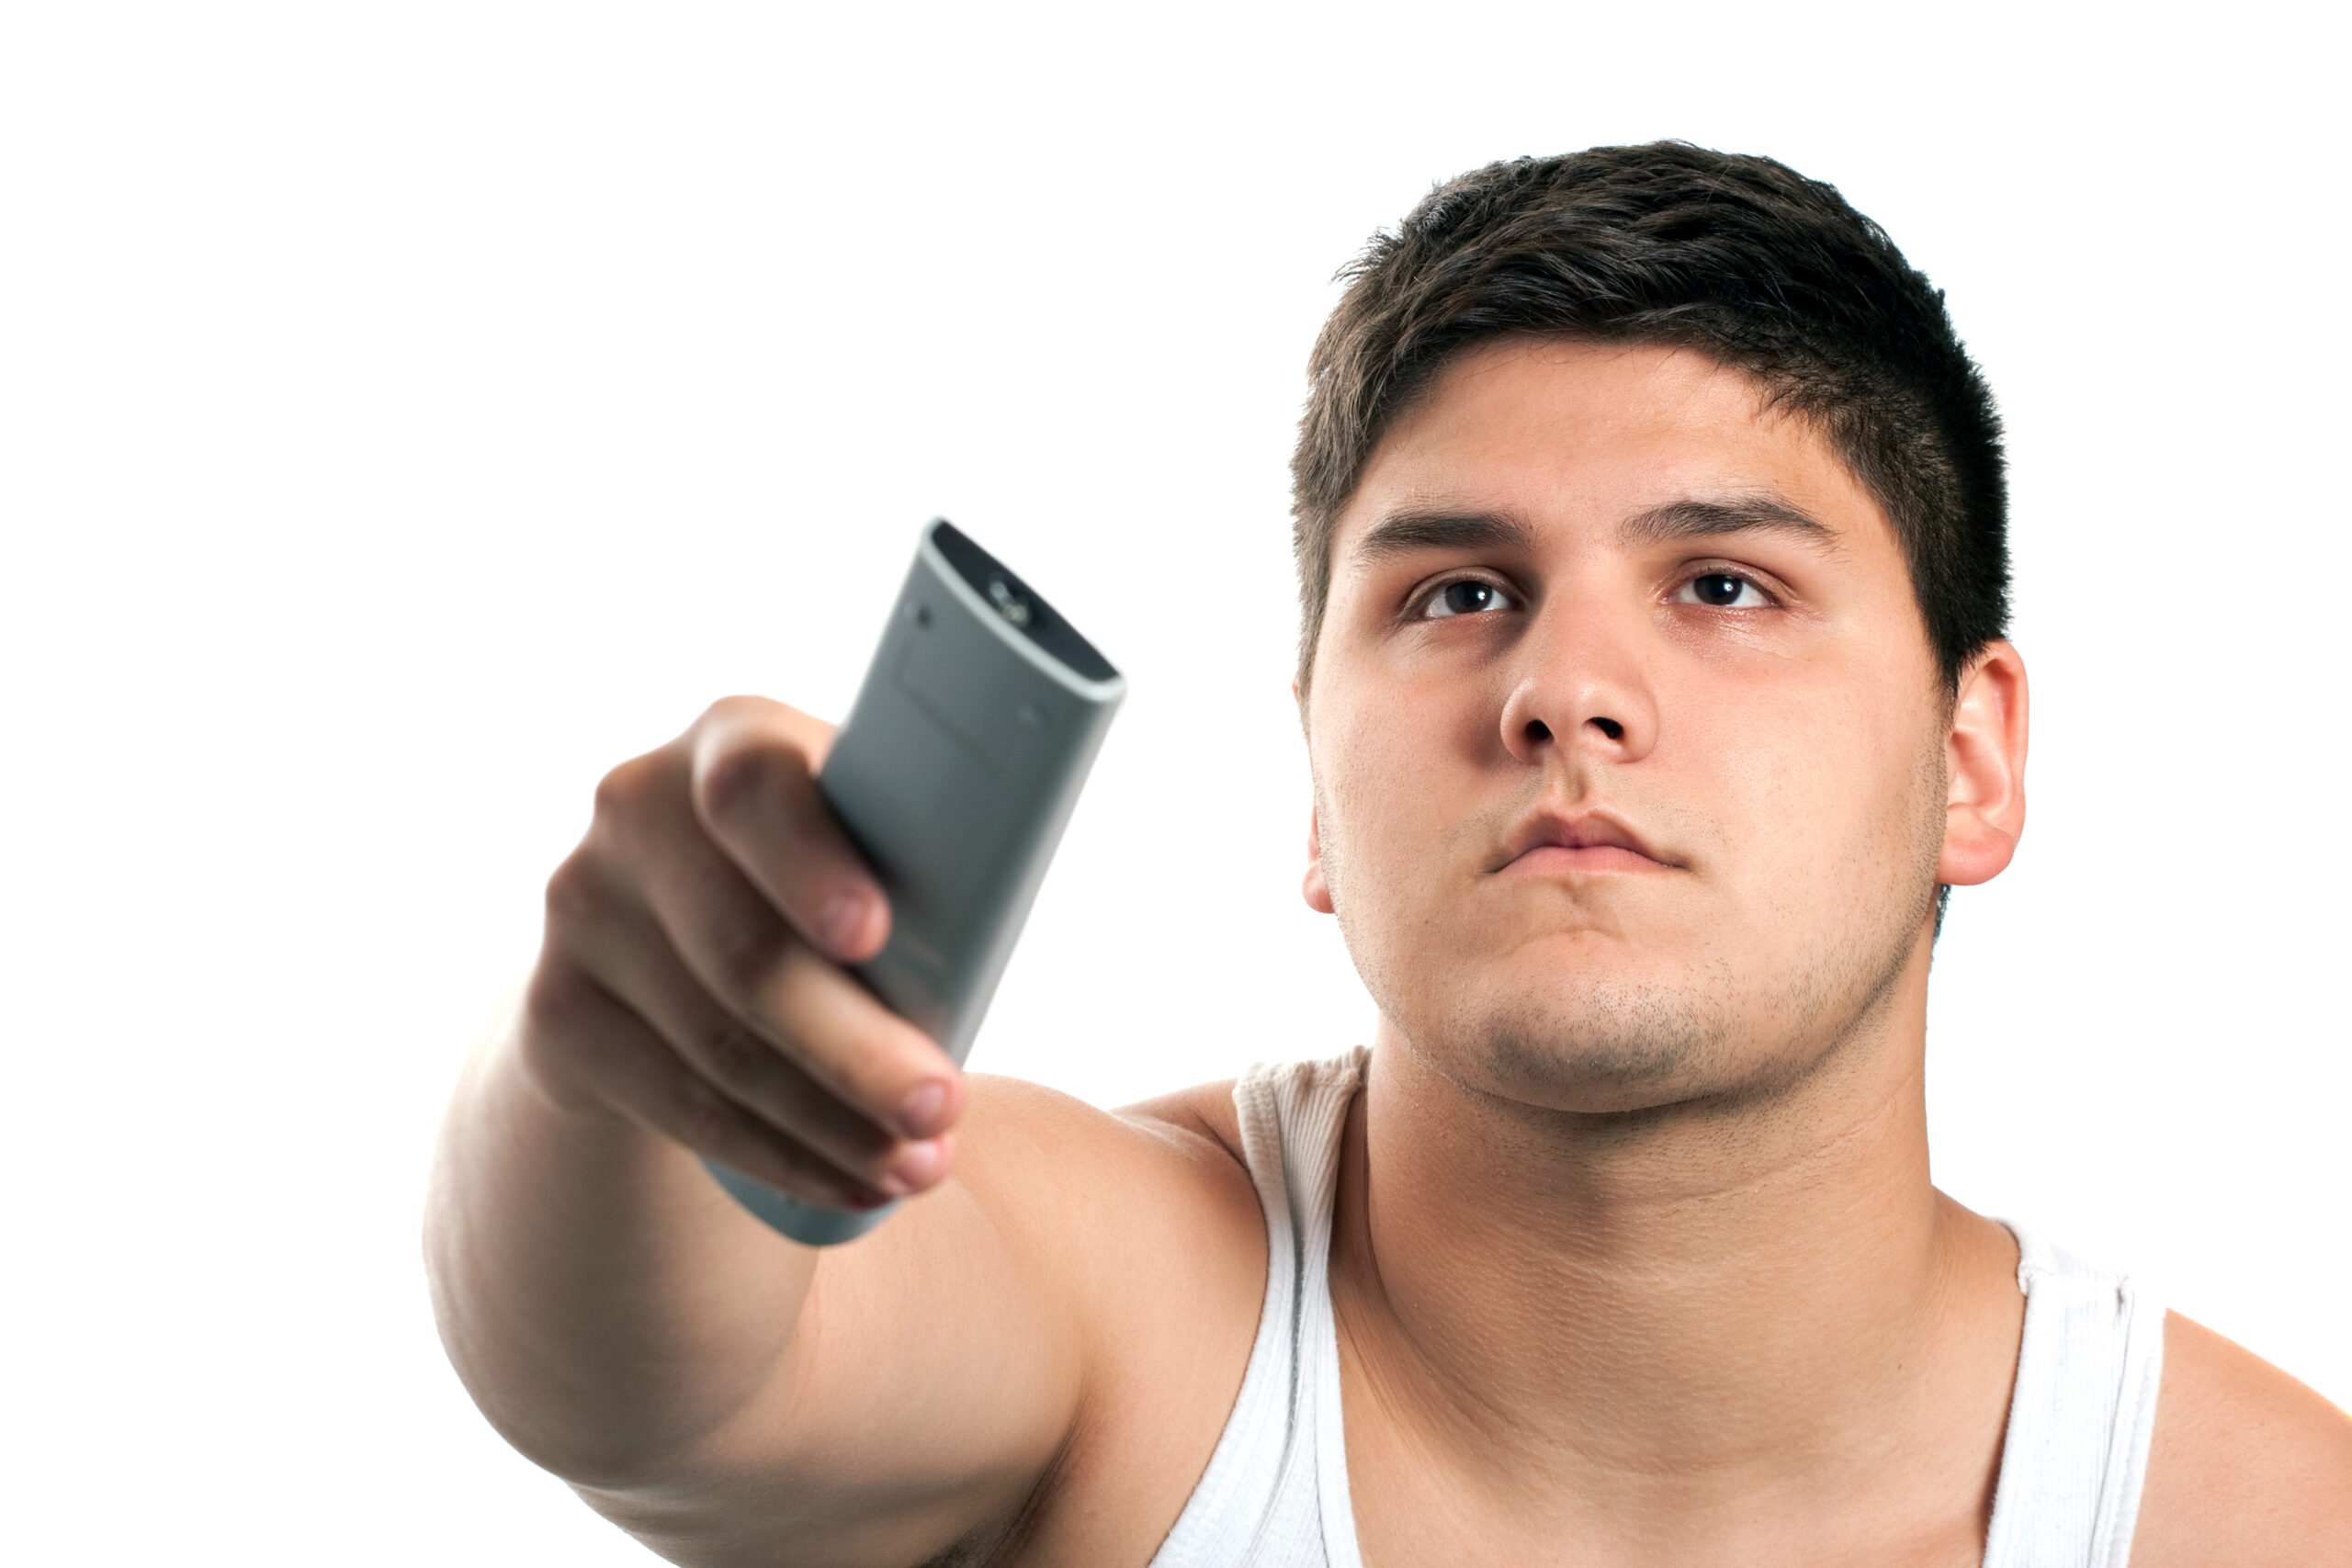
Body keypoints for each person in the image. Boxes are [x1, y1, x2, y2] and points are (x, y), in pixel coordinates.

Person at [424, 143, 2351, 1566]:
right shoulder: (1135, 1323)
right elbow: (663, 1383)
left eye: (1720, 582)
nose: (1562, 686)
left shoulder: (2261, 1521)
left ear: (1968, 757)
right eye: (1455, 590)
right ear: (1313, 787)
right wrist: (605, 1073)